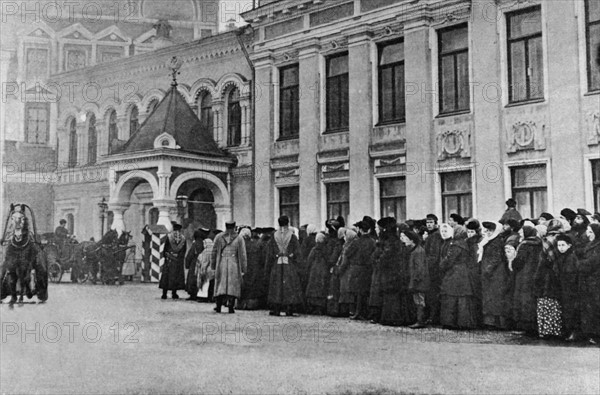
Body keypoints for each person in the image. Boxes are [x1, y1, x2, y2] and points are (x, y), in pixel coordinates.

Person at [438, 225, 477, 329]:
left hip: (454, 273)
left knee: (450, 297)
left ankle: (450, 322)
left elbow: (449, 260)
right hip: (464, 272)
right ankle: (463, 322)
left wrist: (441, 265)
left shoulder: (455, 245)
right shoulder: (465, 244)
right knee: (462, 299)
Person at [266, 216, 304, 316]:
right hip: (289, 263)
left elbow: (269, 253)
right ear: (288, 223)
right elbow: (298, 252)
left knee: (276, 285)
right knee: (289, 285)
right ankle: (289, 308)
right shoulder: (292, 236)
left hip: (277, 263)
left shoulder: (274, 235)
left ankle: (276, 308)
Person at [479, 221, 511, 330]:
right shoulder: (488, 241)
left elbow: (495, 259)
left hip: (496, 274)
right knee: (490, 298)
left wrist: (487, 270)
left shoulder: (496, 242)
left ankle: (496, 323)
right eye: (486, 230)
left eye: (490, 230)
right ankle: (491, 321)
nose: (487, 232)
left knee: (495, 298)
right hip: (491, 273)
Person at [533, 230, 565, 339]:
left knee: (548, 305)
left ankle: (547, 330)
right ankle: (550, 330)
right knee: (549, 306)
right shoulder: (552, 253)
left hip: (547, 283)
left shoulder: (548, 252)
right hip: (548, 284)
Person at [210, 221, 247, 313]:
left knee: (220, 284)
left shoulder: (218, 237)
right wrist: (243, 267)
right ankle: (231, 306)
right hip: (234, 263)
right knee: (233, 285)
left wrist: (213, 265)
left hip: (221, 262)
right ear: (234, 227)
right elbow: (242, 254)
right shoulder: (239, 238)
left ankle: (218, 305)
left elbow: (213, 252)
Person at [343, 221, 376, 320]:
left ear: (360, 230)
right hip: (368, 268)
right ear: (369, 230)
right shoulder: (372, 241)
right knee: (365, 291)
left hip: (357, 268)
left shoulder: (356, 242)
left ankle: (358, 312)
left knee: (357, 292)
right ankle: (365, 312)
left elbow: (348, 253)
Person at [400, 229, 429, 328]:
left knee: (419, 300)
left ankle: (420, 321)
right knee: (417, 300)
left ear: (412, 240)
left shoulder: (418, 251)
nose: (404, 240)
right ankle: (419, 319)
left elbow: (419, 268)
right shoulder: (415, 250)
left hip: (419, 281)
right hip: (417, 280)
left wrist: (415, 280)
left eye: (406, 238)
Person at [578, 224, 600, 344]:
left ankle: (595, 334)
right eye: (588, 231)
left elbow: (592, 262)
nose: (588, 234)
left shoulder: (598, 246)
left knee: (594, 307)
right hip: (589, 282)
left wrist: (578, 264)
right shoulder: (591, 245)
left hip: (595, 281)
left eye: (590, 232)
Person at [555, 234, 580, 341]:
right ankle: (568, 332)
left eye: (563, 245)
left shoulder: (570, 257)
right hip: (564, 287)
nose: (560, 247)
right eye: (559, 245)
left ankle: (572, 332)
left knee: (571, 311)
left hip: (570, 288)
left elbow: (571, 274)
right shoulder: (563, 256)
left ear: (569, 245)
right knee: (567, 310)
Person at [160, 223, 187, 300]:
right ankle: (174, 293)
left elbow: (165, 248)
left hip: (169, 259)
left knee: (166, 276)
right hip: (178, 261)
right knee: (176, 276)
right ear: (180, 229)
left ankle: (164, 294)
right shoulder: (183, 238)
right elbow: (184, 250)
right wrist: (179, 258)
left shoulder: (169, 237)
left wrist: (166, 256)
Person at [305, 232, 330, 315]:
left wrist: (307, 269)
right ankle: (320, 307)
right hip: (323, 269)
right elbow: (328, 259)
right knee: (321, 288)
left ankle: (312, 307)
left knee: (313, 288)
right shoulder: (325, 249)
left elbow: (309, 260)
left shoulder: (314, 249)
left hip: (314, 269)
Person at [240, 227, 263, 310]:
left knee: (243, 286)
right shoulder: (255, 244)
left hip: (244, 267)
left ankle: (241, 304)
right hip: (254, 268)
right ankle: (251, 304)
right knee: (252, 287)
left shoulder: (241, 244)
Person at [184, 228, 208, 301]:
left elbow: (190, 254)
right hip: (203, 262)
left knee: (192, 278)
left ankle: (193, 294)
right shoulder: (205, 243)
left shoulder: (195, 244)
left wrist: (187, 263)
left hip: (194, 263)